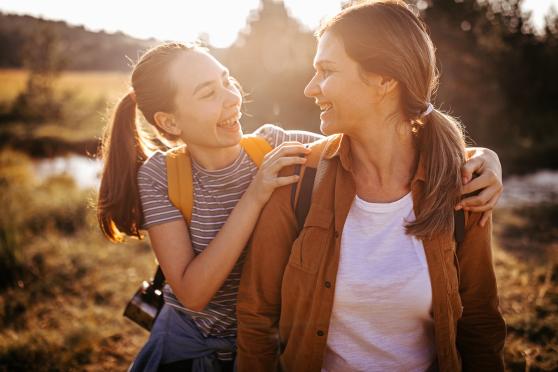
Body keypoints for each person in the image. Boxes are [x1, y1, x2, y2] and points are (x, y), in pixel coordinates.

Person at [96, 41, 502, 370]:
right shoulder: (159, 175)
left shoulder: (273, 144)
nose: (231, 98)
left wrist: (478, 156)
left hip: (265, 347)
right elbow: (193, 291)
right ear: (169, 123)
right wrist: (255, 196)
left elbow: (370, 141)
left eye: (227, 80)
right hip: (190, 349)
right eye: (208, 94)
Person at [236, 1, 506, 372]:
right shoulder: (297, 179)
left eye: (326, 71)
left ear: (384, 79)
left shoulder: (460, 187)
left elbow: (479, 326)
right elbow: (256, 316)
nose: (310, 88)